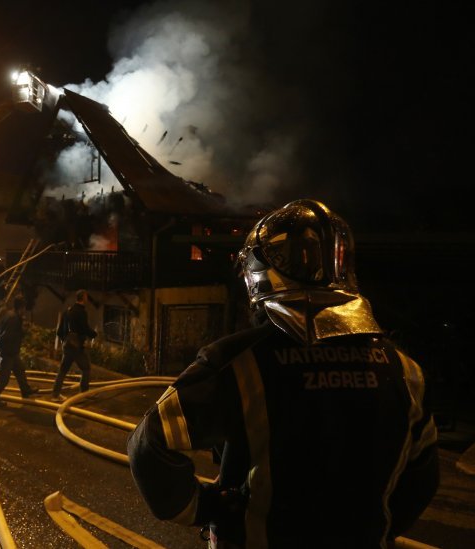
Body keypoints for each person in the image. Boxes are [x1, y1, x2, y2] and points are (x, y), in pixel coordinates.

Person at [127, 199, 439, 548]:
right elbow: (422, 478)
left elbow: (150, 443)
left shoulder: (240, 362)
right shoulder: (403, 371)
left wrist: (205, 508)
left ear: (258, 273)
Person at [0, 296, 39, 408]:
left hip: (12, 352)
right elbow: (6, 336)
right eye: (24, 308)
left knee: (20, 369)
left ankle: (25, 390)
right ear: (22, 307)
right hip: (8, 352)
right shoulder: (14, 319)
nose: (24, 310)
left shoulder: (9, 315)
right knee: (3, 377)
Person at [50, 289, 97, 401]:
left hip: (67, 345)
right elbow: (84, 328)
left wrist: (64, 341)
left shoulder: (68, 311)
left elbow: (59, 331)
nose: (87, 298)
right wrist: (94, 334)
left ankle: (55, 395)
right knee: (86, 368)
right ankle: (84, 393)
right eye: (86, 296)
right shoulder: (81, 312)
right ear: (84, 297)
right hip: (77, 347)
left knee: (63, 370)